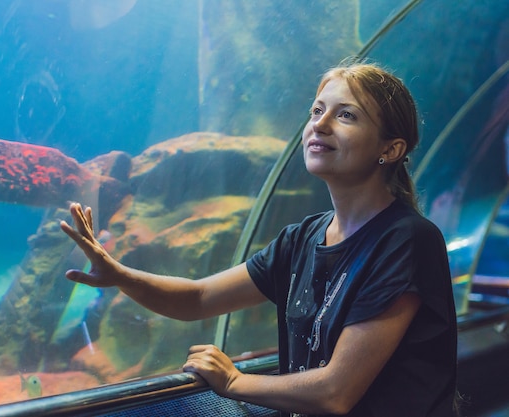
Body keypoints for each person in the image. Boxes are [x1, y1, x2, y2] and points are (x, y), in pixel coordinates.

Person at [60, 61, 458, 417]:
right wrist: (119, 275)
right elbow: (198, 298)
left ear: (390, 148)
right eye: (317, 111)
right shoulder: (302, 238)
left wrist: (234, 383)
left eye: (346, 115)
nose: (319, 124)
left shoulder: (407, 240)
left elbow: (336, 393)